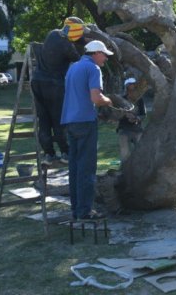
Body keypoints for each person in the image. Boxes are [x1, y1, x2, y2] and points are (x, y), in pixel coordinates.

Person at [61, 40, 113, 220]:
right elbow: (96, 98)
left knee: (74, 167)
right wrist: (108, 101)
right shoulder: (93, 69)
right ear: (96, 53)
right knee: (87, 168)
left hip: (70, 121)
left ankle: (76, 209)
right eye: (104, 54)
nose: (106, 58)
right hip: (85, 122)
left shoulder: (73, 67)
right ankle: (85, 211)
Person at [32, 16, 86, 165]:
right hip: (53, 84)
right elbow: (77, 58)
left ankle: (48, 154)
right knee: (59, 119)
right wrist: (82, 43)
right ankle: (65, 152)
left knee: (43, 120)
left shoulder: (52, 33)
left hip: (37, 81)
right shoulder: (66, 44)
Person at [116, 77, 146, 162]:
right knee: (125, 153)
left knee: (141, 152)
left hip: (137, 129)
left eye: (134, 87)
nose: (132, 90)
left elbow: (143, 114)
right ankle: (125, 169)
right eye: (130, 87)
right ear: (126, 88)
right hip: (124, 129)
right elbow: (115, 115)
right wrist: (124, 114)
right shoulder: (120, 100)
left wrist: (136, 118)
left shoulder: (140, 100)